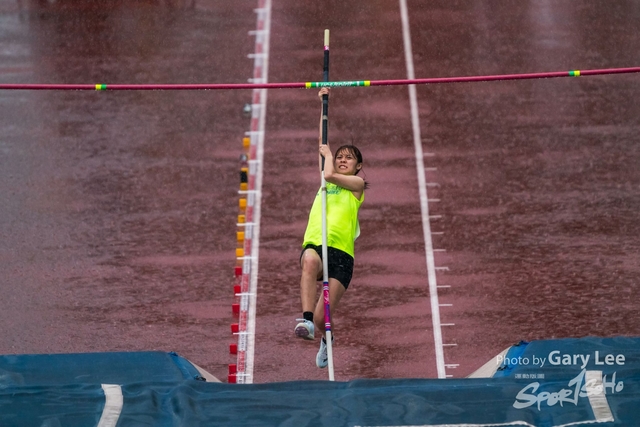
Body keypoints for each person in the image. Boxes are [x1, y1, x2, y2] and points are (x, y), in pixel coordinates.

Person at [294, 87, 367, 369]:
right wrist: (323, 105)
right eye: (339, 156)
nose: (342, 159)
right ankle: (305, 321)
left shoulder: (357, 186)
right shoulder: (325, 180)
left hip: (343, 256)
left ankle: (327, 337)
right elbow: (321, 142)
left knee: (324, 317)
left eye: (349, 158)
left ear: (358, 166)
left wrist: (328, 162)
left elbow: (329, 173)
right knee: (310, 261)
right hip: (316, 242)